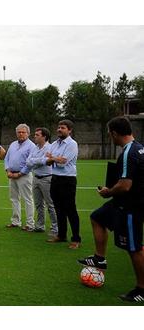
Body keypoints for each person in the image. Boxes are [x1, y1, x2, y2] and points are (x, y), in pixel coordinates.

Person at [78, 117, 144, 302]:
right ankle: (100, 258)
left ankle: (142, 288)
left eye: (109, 133)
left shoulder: (129, 153)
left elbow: (125, 185)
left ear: (114, 133)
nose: (109, 137)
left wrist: (108, 192)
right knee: (98, 217)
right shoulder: (138, 147)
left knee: (134, 247)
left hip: (131, 205)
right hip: (122, 202)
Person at [46, 119, 81, 249]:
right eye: (59, 127)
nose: (59, 130)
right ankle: (61, 235)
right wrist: (55, 158)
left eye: (63, 128)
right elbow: (48, 160)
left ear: (69, 130)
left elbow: (63, 162)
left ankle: (76, 238)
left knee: (70, 210)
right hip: (55, 178)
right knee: (58, 209)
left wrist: (53, 158)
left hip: (68, 180)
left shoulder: (72, 144)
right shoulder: (55, 144)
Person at [25, 127, 58, 235]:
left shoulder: (50, 148)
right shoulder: (35, 148)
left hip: (47, 178)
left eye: (37, 135)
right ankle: (40, 226)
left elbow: (47, 161)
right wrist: (42, 160)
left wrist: (37, 161)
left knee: (50, 204)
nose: (35, 136)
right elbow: (28, 162)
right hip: (36, 177)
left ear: (44, 136)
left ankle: (55, 228)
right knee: (38, 204)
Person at [4, 124, 36, 230]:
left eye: (23, 132)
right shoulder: (13, 144)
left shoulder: (31, 146)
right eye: (19, 132)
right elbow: (7, 158)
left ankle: (30, 224)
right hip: (11, 175)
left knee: (27, 199)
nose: (21, 134)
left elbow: (30, 163)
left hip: (24, 176)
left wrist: (20, 173)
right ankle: (15, 221)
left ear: (28, 133)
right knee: (14, 199)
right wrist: (8, 170)